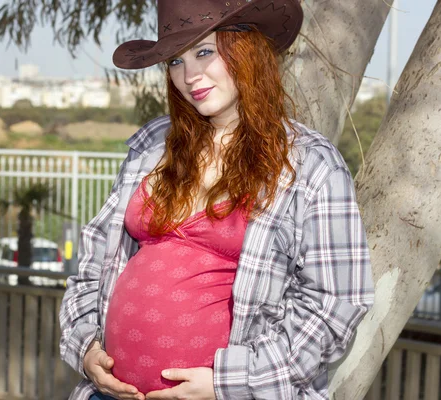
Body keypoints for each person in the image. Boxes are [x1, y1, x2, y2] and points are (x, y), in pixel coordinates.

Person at [59, 0, 374, 399]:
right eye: (175, 61)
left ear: (247, 50)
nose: (189, 76)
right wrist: (86, 347)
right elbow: (93, 263)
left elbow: (335, 303)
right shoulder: (153, 146)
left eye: (204, 52)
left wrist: (228, 383)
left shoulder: (310, 163)